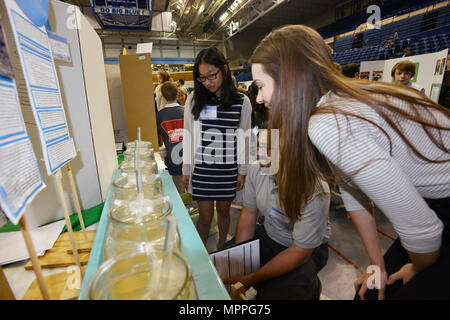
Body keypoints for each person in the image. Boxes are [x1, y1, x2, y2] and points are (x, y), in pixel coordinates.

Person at [250, 24, 450, 300]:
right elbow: (353, 192)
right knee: (370, 289)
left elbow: (424, 232)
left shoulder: (327, 122)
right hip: (434, 205)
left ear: (290, 79)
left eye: (261, 86)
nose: (259, 98)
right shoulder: (337, 101)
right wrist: (376, 263)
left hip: (439, 209)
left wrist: (417, 269)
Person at [222, 126, 330, 300]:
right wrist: (241, 258)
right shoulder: (257, 169)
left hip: (304, 250)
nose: (258, 152)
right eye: (259, 146)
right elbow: (249, 214)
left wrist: (250, 278)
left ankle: (310, 288)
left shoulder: (315, 191)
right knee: (221, 267)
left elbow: (299, 252)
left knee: (272, 295)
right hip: (269, 233)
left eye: (265, 148)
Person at [182, 46, 252, 248]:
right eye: (202, 78)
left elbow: (244, 139)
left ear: (225, 69)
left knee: (223, 213)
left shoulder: (242, 101)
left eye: (212, 76)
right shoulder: (195, 99)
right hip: (202, 169)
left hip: (227, 169)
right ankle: (200, 253)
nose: (208, 82)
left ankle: (222, 248)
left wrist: (243, 171)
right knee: (204, 217)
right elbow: (188, 135)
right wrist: (187, 169)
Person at [156, 81, 185, 193]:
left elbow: (158, 137)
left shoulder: (160, 115)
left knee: (180, 190)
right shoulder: (186, 111)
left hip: (174, 159)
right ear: (177, 94)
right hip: (190, 159)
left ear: (163, 96)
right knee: (193, 190)